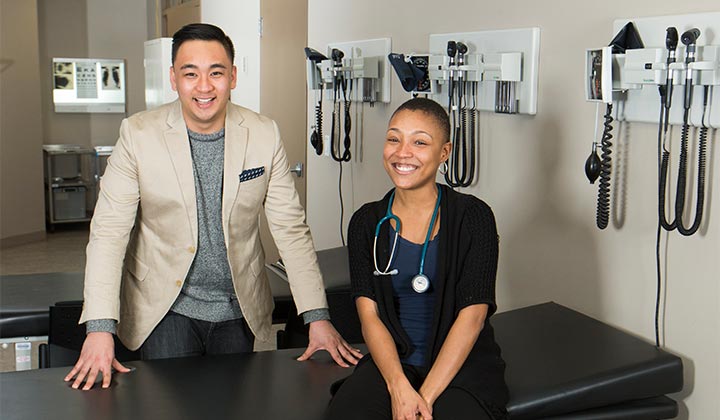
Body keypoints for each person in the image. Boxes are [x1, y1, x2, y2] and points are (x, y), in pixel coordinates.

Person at [65, 23, 362, 391]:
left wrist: (317, 317)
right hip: (164, 308)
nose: (204, 87)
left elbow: (291, 229)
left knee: (233, 407)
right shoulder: (137, 135)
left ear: (233, 76)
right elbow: (109, 234)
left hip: (238, 305)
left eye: (216, 73)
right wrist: (99, 328)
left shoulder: (263, 133)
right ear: (173, 78)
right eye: (191, 73)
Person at [326, 98, 508, 420]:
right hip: (393, 362)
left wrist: (422, 399)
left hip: (461, 367)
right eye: (394, 139)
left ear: (444, 152)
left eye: (420, 142)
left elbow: (473, 317)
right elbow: (370, 317)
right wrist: (398, 388)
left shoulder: (474, 217)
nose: (402, 152)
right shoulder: (366, 223)